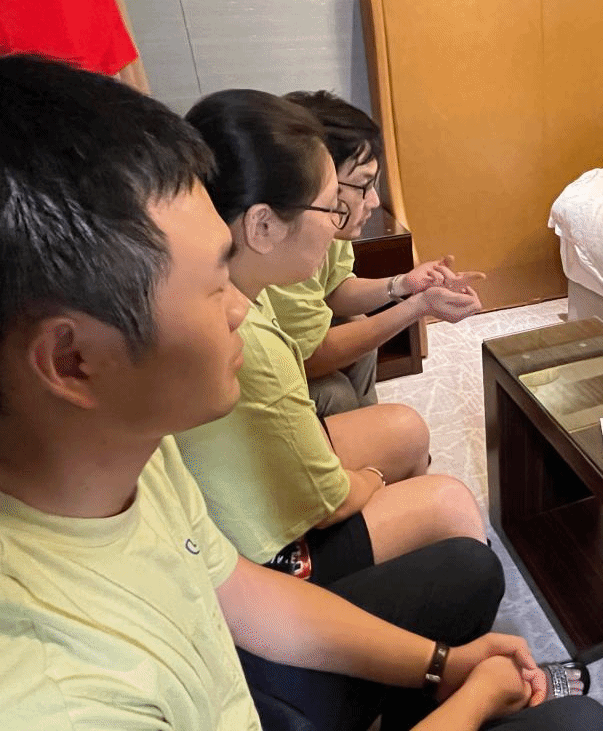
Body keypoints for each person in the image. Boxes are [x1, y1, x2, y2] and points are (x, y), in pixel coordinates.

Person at [0, 55, 603, 731]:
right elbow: (320, 486)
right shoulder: (56, 694)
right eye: (212, 286)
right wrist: (475, 699)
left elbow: (240, 591)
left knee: (471, 571)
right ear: (72, 361)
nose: (239, 306)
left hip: (248, 670)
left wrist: (441, 665)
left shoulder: (135, 457)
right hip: (274, 622)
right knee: (581, 723)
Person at [176, 89, 488, 579]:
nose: (359, 209)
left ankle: (405, 556)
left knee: (403, 426)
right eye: (331, 206)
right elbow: (331, 500)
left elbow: (339, 292)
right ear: (263, 225)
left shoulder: (230, 284)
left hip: (254, 491)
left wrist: (405, 289)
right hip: (264, 554)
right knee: (452, 509)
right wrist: (374, 478)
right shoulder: (251, 339)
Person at [265, 90, 485, 416]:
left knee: (358, 330)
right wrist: (417, 306)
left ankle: (365, 431)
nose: (374, 202)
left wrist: (404, 284)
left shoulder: (332, 229)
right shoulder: (287, 245)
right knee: (336, 394)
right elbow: (311, 356)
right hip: (263, 368)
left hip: (291, 346)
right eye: (363, 185)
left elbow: (335, 289)